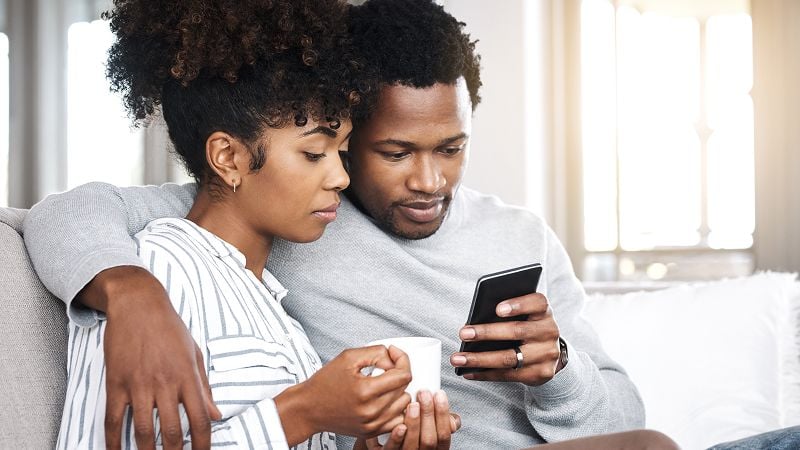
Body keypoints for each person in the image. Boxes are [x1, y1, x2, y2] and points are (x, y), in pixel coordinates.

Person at [26, 0, 647, 448]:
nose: (430, 181)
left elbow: (624, 420)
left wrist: (557, 371)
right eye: (394, 153)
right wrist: (131, 293)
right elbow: (60, 214)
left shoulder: (521, 234)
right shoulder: (284, 214)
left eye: (451, 149)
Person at [52, 0, 458, 449]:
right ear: (228, 158)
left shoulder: (279, 313)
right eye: (313, 154)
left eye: (341, 153)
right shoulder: (159, 272)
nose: (341, 178)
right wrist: (303, 411)